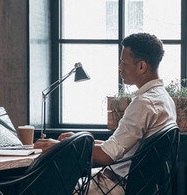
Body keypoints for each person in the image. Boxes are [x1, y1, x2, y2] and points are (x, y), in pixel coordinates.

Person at [34, 33, 177, 195]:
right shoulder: (164, 99)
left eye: (123, 62)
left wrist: (59, 147)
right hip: (130, 185)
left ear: (141, 66)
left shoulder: (144, 103)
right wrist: (76, 142)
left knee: (44, 187)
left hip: (113, 186)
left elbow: (107, 156)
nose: (120, 67)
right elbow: (121, 147)